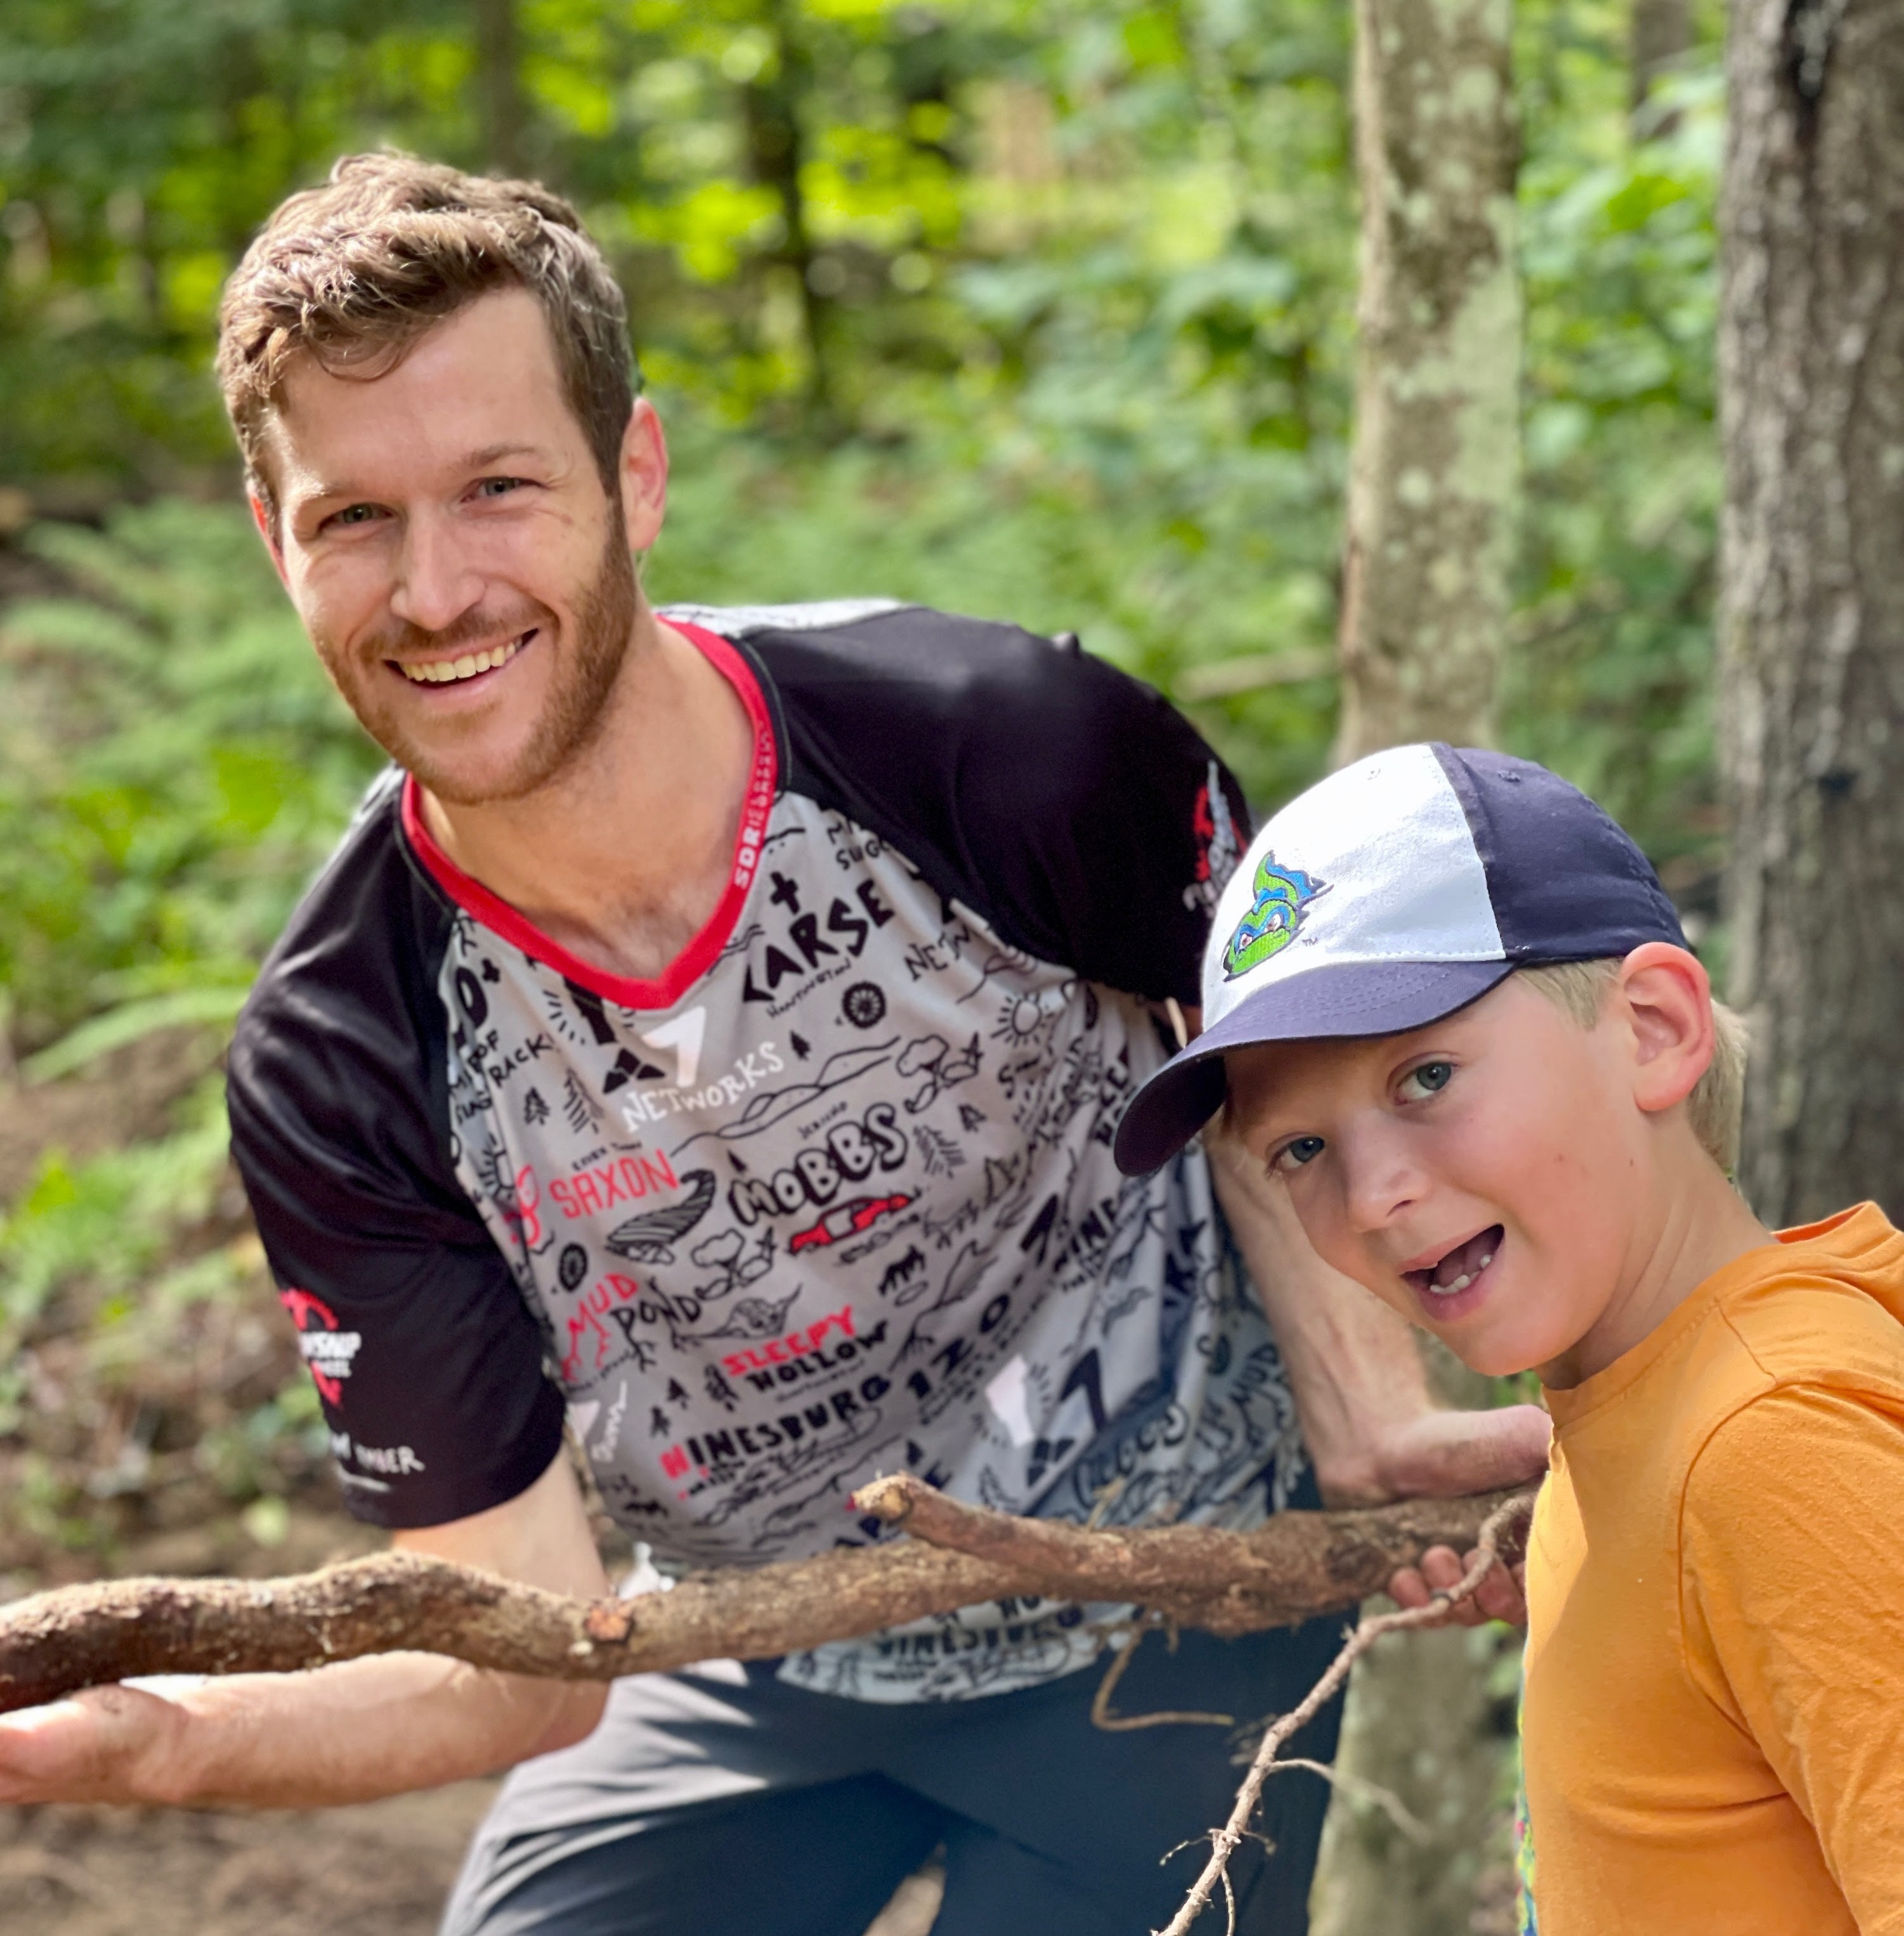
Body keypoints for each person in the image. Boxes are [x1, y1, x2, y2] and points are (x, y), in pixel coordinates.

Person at [0, 156, 1547, 1936]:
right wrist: (132, 1740)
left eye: (499, 489)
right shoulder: (342, 1054)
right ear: (274, 538)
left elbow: (1276, 1044)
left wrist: (1371, 1419)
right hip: (743, 1663)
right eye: (355, 518)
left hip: (1171, 1605)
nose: (433, 592)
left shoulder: (1004, 750)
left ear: (632, 475)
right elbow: (525, 1654)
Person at [1116, 739, 1904, 1934]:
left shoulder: (1771, 1448)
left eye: (1425, 1076)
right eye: (1301, 1151)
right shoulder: (1650, 1406)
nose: (1373, 1195)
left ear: (1649, 1029)